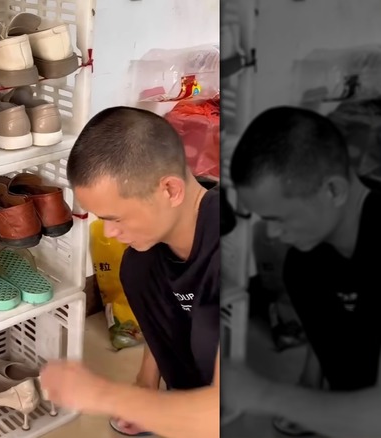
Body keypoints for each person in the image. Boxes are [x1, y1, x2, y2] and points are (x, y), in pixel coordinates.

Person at [40, 106, 220, 438]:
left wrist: (105, 395)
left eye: (116, 218)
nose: (109, 233)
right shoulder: (142, 263)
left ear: (170, 190)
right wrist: (144, 388)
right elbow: (164, 324)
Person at [222, 106, 381, 437]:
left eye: (280, 219)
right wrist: (308, 387)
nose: (273, 234)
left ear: (333, 190)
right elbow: (327, 330)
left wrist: (263, 395)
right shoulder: (305, 261)